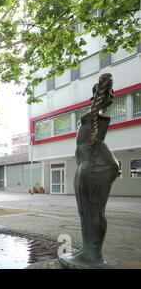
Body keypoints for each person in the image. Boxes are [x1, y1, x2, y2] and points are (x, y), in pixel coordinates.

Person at [61, 73, 119, 267]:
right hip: (88, 166)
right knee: (87, 212)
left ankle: (93, 255)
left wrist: (102, 92)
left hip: (95, 167)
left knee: (93, 212)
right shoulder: (95, 115)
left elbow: (94, 137)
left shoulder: (97, 115)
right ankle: (88, 250)